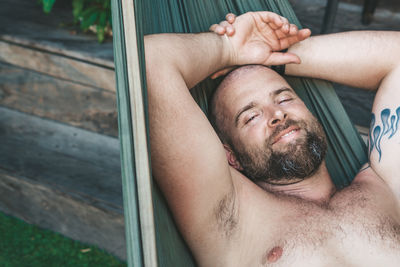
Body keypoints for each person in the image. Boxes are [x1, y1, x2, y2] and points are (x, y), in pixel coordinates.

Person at [145, 11, 400, 266]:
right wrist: (228, 48)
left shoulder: (384, 188)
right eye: (251, 116)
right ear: (231, 156)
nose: (277, 114)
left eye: (284, 98)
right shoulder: (231, 217)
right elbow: (150, 63)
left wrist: (277, 53)